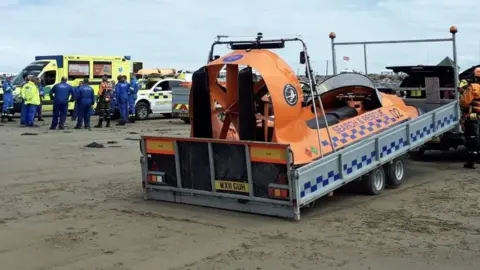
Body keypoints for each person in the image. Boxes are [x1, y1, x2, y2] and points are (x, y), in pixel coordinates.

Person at [459, 67, 480, 169]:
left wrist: (462, 93)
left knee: (472, 139)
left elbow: (464, 102)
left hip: (473, 117)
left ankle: (470, 162)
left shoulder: (473, 87)